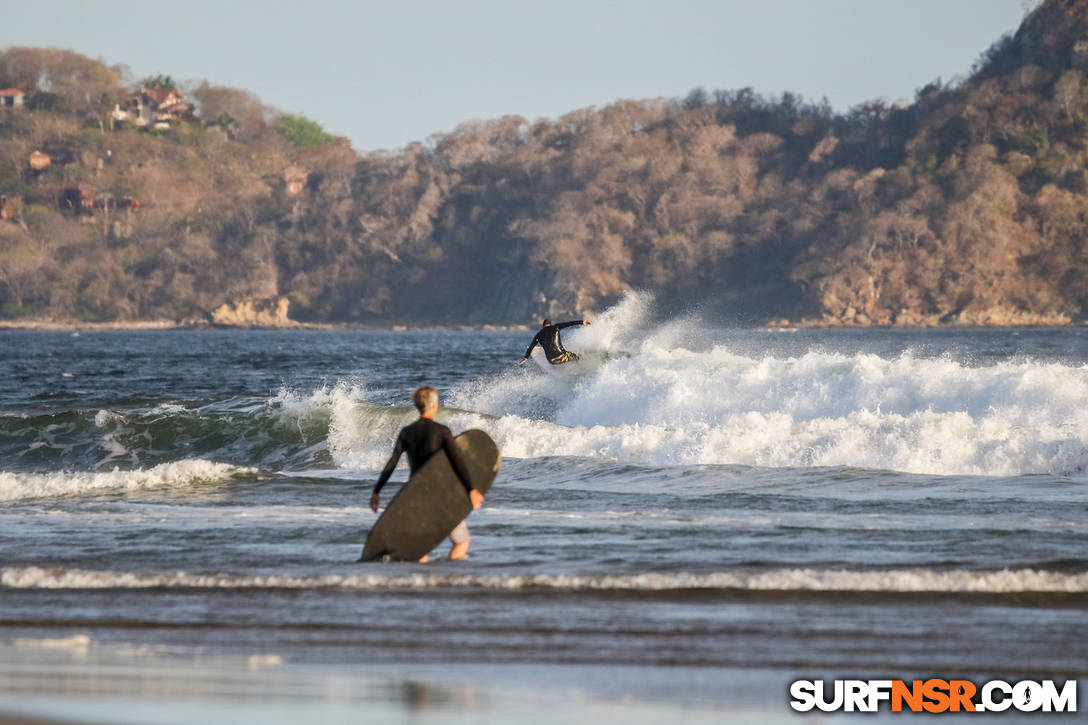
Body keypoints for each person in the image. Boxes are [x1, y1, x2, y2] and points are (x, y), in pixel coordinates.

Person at [369, 386, 484, 562]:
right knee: (461, 542)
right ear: (434, 405)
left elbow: (391, 463)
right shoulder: (441, 431)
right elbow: (457, 461)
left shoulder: (407, 432)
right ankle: (446, 580)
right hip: (440, 496)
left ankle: (421, 582)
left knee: (422, 547)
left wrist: (377, 491)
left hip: (414, 495)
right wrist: (471, 490)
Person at [518, 318, 591, 365]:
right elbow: (568, 323)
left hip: (551, 361)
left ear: (543, 326)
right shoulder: (556, 327)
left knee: (560, 359)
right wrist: (582, 322)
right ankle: (580, 367)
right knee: (576, 357)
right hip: (562, 356)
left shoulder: (538, 334)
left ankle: (559, 368)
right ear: (550, 324)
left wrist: (525, 358)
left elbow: (531, 347)